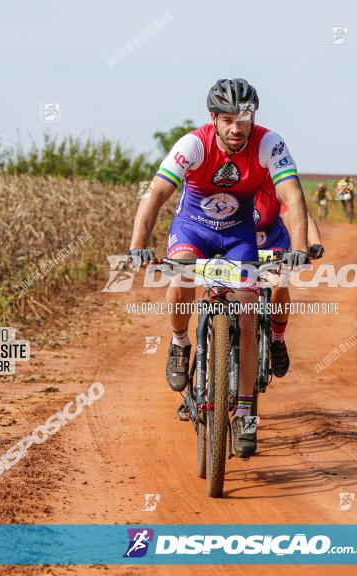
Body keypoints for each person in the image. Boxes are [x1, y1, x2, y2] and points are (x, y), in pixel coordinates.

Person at [127, 79, 309, 458]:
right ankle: (180, 343)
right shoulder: (192, 144)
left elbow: (292, 194)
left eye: (243, 119)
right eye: (227, 120)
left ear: (253, 117)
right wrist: (138, 245)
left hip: (238, 235)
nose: (235, 128)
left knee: (245, 309)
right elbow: (157, 193)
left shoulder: (269, 143)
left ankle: (244, 412)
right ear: (213, 119)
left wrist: (302, 248)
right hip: (193, 228)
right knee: (180, 272)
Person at [253, 177, 324, 379]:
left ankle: (277, 339)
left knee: (279, 285)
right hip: (237, 242)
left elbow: (299, 213)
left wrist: (314, 242)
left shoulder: (274, 180)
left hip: (272, 242)